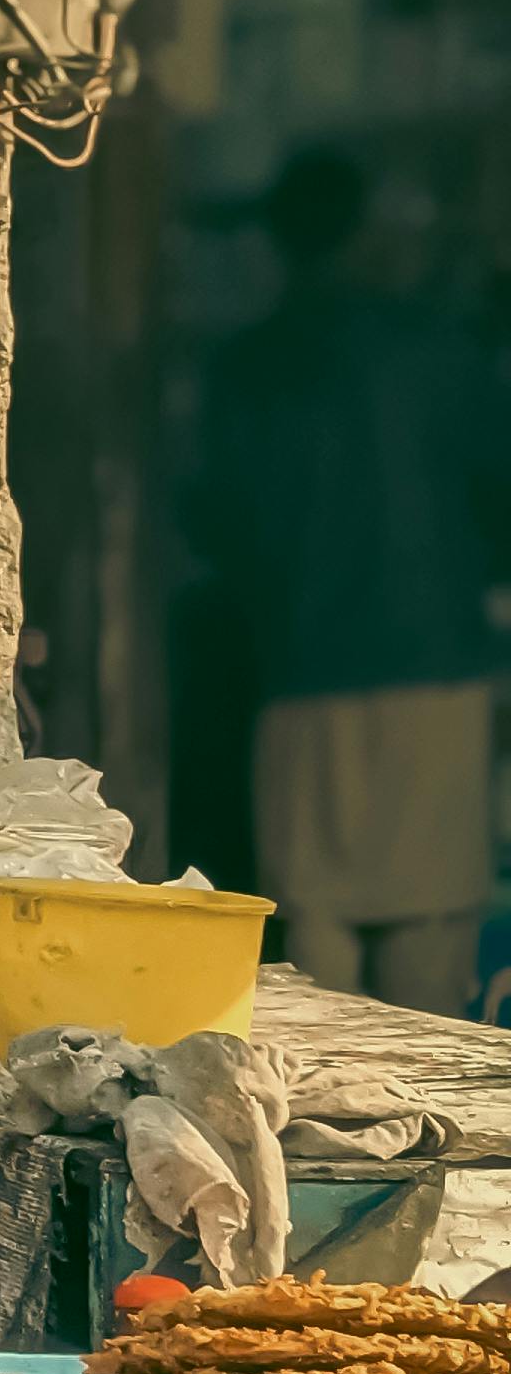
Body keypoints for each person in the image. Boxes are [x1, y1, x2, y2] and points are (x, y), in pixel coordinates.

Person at [197, 147, 508, 1012]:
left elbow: (216, 520)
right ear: (364, 232)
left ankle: (331, 1132)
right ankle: (427, 1134)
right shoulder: (440, 353)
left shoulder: (247, 366)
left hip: (300, 680)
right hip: (434, 672)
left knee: (315, 921)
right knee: (431, 924)